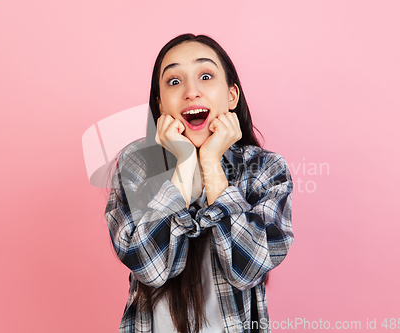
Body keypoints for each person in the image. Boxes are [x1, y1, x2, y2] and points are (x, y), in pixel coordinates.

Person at [105, 33, 294, 333]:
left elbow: (249, 268)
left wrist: (211, 164)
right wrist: (184, 166)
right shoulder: (136, 164)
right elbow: (148, 266)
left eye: (206, 76)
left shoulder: (265, 169)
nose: (191, 92)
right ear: (160, 103)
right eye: (174, 81)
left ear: (232, 95)